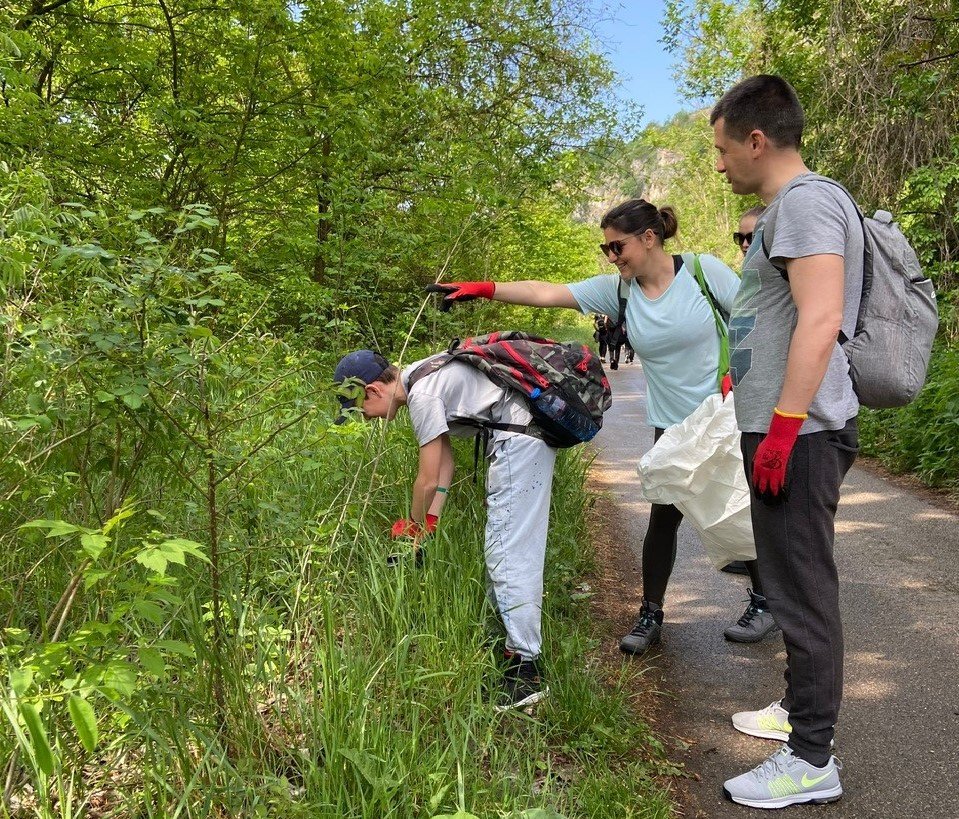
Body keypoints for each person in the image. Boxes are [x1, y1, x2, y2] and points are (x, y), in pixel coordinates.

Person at [425, 198, 777, 654]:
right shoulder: (621, 291)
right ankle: (651, 614)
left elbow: (753, 320)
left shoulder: (703, 272)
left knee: (732, 507)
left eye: (617, 247)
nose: (611, 257)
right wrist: (485, 288)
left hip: (723, 415)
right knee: (663, 517)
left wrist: (744, 375)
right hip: (671, 423)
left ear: (649, 238)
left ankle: (765, 602)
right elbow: (546, 291)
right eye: (606, 249)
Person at [711, 74, 863, 808]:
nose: (718, 165)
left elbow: (819, 314)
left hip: (796, 434)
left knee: (801, 591)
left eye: (721, 148)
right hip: (783, 426)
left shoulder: (804, 204)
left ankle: (811, 757)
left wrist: (781, 426)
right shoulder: (789, 208)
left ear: (756, 140)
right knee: (787, 579)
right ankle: (795, 712)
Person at [332, 348, 556, 711]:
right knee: (503, 549)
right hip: (519, 438)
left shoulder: (422, 393)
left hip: (521, 441)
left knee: (508, 552)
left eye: (358, 409)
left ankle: (527, 671)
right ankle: (514, 646)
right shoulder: (423, 376)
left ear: (372, 391)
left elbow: (427, 479)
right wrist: (428, 527)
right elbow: (446, 467)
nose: (365, 419)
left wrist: (412, 533)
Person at [721, 203, 766, 578]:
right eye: (741, 237)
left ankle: (770, 597)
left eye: (754, 236)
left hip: (778, 409)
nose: (746, 243)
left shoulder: (778, 279)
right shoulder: (748, 280)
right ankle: (759, 559)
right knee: (748, 488)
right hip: (747, 401)